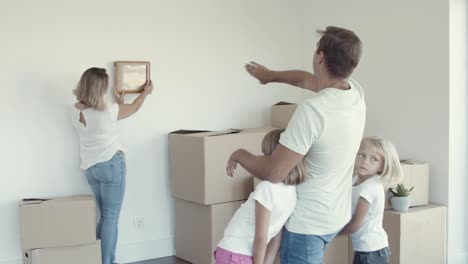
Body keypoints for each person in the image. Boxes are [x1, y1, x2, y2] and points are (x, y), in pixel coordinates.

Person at [226, 26, 365, 263]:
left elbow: (274, 172)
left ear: (320, 56)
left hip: (307, 225)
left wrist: (240, 154)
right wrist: (269, 76)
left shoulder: (314, 110)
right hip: (333, 216)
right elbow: (303, 79)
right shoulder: (355, 93)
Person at [71, 67, 153, 264]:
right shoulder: (108, 110)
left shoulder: (74, 110)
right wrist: (146, 92)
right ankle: (107, 262)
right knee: (110, 218)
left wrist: (118, 102)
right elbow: (134, 108)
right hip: (111, 166)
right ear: (100, 88)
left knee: (105, 217)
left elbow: (109, 120)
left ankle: (91, 254)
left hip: (91, 169)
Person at [216, 129, 306, 264]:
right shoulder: (292, 193)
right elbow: (276, 238)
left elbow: (260, 238)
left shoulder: (266, 188)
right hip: (247, 257)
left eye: (265, 156)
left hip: (233, 252)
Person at [340, 136, 402, 264]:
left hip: (371, 251)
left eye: (374, 159)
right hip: (367, 249)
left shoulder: (369, 187)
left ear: (382, 166)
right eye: (362, 155)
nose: (365, 162)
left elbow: (356, 224)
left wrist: (330, 234)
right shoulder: (356, 179)